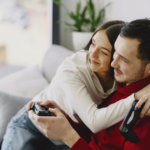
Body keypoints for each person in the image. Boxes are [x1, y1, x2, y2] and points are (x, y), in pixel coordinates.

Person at [1, 20, 150, 150]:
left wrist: (69, 135)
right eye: (115, 52)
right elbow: (99, 135)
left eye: (123, 59)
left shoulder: (143, 110)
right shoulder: (122, 81)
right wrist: (68, 122)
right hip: (32, 124)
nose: (113, 63)